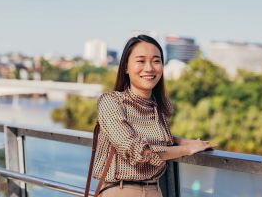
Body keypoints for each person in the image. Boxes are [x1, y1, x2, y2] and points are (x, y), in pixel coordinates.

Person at [92, 35, 214, 197]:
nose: (149, 68)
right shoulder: (112, 102)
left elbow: (151, 139)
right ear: (126, 67)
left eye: (156, 61)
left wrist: (178, 140)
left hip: (155, 190)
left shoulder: (159, 107)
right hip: (120, 190)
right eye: (141, 61)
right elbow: (137, 150)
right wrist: (186, 149)